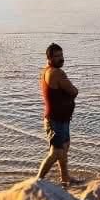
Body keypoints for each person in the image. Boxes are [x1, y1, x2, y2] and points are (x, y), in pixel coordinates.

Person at [37, 42, 79, 187]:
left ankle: (65, 178)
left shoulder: (46, 71)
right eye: (57, 56)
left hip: (61, 119)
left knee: (64, 147)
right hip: (55, 120)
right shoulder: (56, 73)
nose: (61, 59)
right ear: (49, 58)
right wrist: (72, 93)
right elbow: (73, 91)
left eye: (61, 55)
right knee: (56, 152)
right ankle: (38, 181)